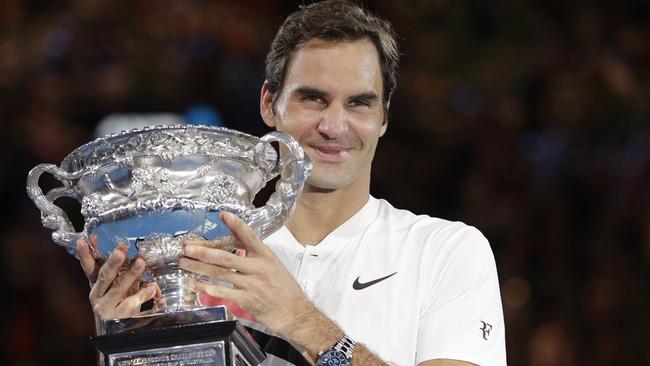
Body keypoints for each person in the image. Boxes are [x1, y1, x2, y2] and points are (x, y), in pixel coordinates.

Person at [76, 1, 507, 365]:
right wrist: (124, 345)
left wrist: (303, 323)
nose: (334, 126)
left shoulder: (445, 251)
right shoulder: (196, 255)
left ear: (384, 117)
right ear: (269, 104)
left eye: (359, 103)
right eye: (313, 98)